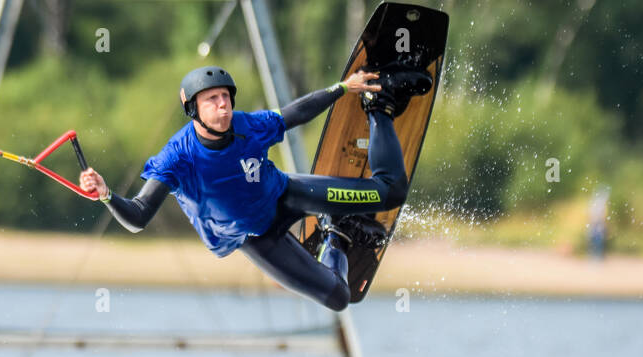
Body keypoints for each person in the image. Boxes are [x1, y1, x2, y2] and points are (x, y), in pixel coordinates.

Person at [77, 64, 433, 312]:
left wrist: (344, 88)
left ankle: (380, 106)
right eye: (211, 100)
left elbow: (295, 114)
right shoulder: (177, 157)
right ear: (193, 110)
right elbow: (138, 217)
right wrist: (106, 194)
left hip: (286, 194)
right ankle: (336, 234)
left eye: (225, 97)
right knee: (338, 298)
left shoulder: (247, 126)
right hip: (257, 238)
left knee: (389, 193)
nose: (223, 105)